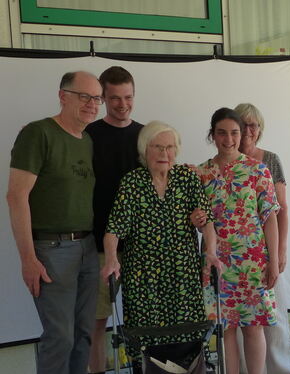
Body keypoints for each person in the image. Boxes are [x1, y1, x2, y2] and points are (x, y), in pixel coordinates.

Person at [100, 121, 220, 372]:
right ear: (145, 150)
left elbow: (205, 221)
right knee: (146, 342)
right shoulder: (132, 182)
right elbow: (113, 230)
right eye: (158, 147)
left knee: (187, 339)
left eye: (169, 147)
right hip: (143, 281)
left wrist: (210, 252)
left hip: (183, 277)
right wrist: (112, 258)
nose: (164, 154)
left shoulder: (187, 178)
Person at [7, 71, 101, 374]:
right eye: (84, 96)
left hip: (87, 248)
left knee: (82, 335)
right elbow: (16, 196)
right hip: (51, 249)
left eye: (96, 98)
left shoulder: (86, 140)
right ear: (63, 95)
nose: (92, 104)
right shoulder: (38, 133)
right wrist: (28, 259)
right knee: (60, 337)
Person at [192, 107, 279, 374]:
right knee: (225, 330)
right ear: (212, 135)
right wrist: (194, 220)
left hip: (253, 261)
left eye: (234, 133)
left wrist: (273, 261)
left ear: (242, 135)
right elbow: (198, 220)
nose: (228, 139)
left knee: (253, 327)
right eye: (221, 133)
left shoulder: (258, 170)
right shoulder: (201, 173)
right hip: (217, 263)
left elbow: (270, 218)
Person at [85, 66, 143, 374]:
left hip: (141, 246)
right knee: (96, 321)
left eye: (128, 97)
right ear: (104, 97)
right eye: (115, 98)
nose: (123, 104)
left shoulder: (147, 136)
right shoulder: (88, 135)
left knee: (143, 318)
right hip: (98, 244)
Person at [235, 102, 290, 374]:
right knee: (243, 324)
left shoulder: (269, 160)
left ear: (259, 129)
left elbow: (281, 209)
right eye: (243, 124)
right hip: (236, 257)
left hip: (266, 253)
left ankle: (281, 370)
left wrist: (279, 252)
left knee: (275, 320)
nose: (248, 131)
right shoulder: (225, 161)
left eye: (253, 125)